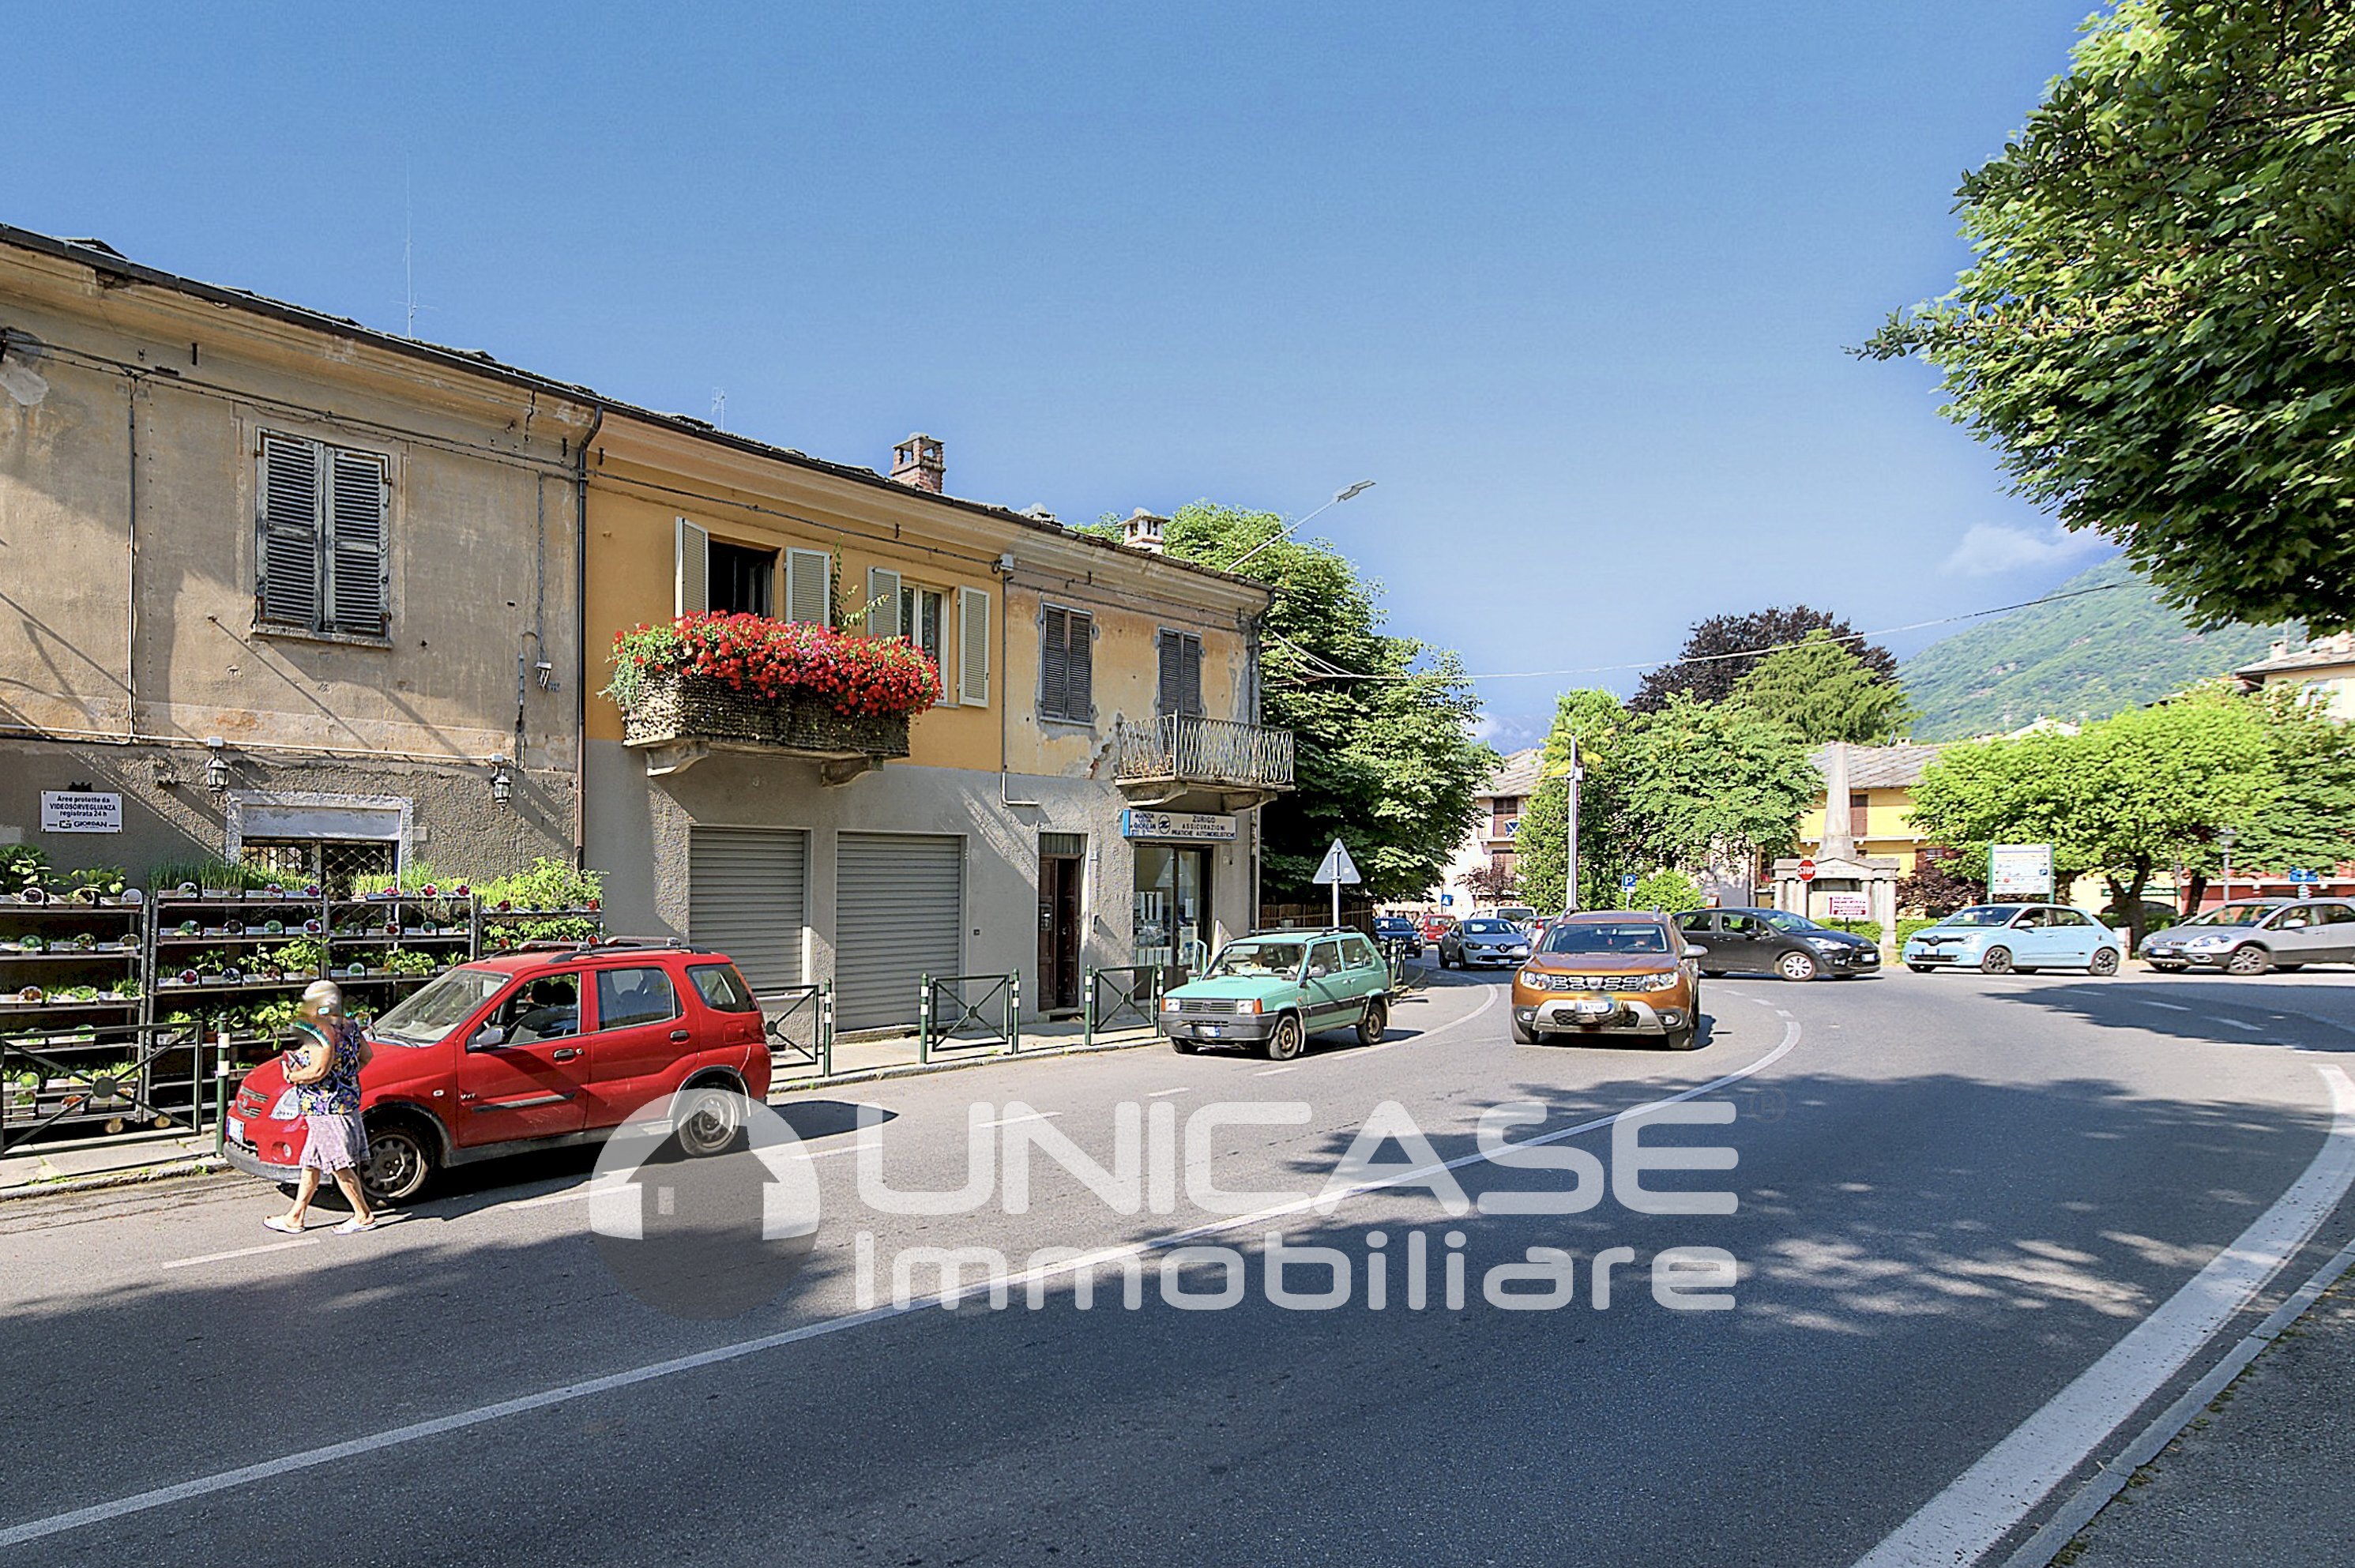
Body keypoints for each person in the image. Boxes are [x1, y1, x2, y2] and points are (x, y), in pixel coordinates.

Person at [264, 981, 378, 1235]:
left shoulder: (322, 1030)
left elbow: (318, 1071)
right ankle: (295, 1217)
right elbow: (367, 1057)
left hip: (326, 1108)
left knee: (339, 1164)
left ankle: (363, 1215)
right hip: (340, 1103)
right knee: (312, 1163)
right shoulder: (350, 1025)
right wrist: (345, 1077)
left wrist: (291, 1076)